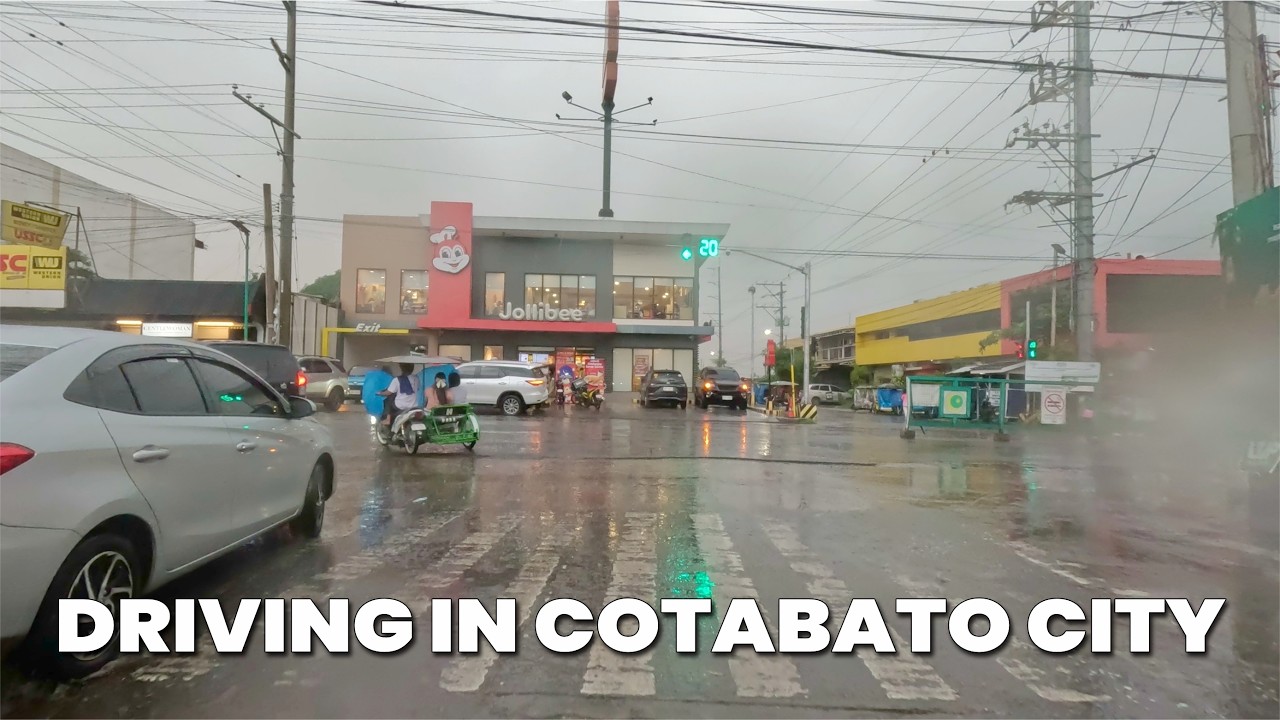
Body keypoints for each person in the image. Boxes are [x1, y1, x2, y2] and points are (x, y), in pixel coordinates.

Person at [378, 363, 422, 429]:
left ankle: (388, 419)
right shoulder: (416, 378)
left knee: (389, 399)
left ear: (401, 368)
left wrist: (380, 393)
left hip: (400, 406)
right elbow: (417, 388)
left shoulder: (397, 380)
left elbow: (388, 392)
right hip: (413, 406)